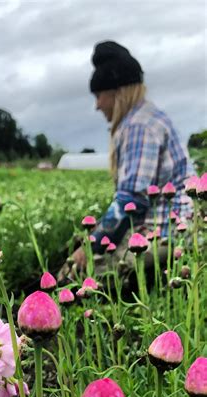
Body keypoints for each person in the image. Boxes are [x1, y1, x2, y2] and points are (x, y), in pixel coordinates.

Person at [60, 40, 194, 279]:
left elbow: (131, 201)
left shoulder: (139, 126)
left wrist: (90, 247)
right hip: (164, 227)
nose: (97, 105)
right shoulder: (146, 118)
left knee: (79, 277)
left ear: (117, 93)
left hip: (167, 232)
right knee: (82, 252)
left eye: (99, 95)